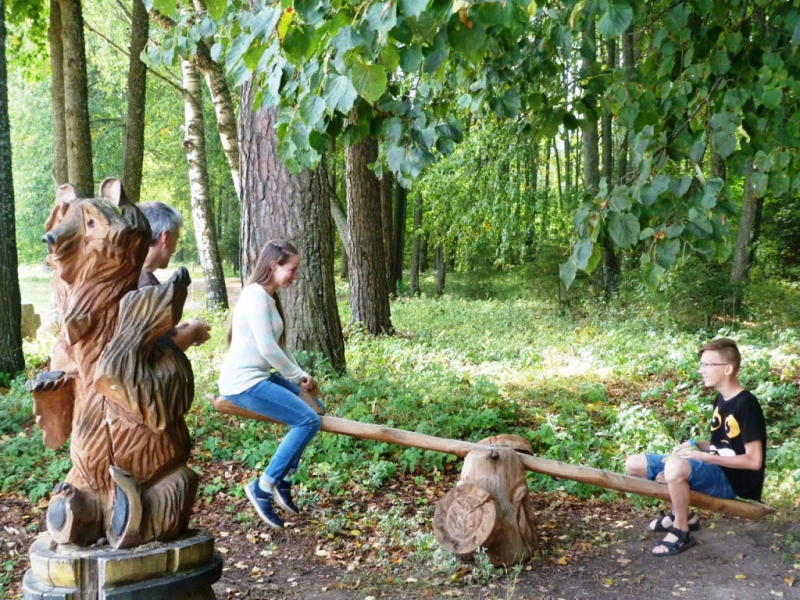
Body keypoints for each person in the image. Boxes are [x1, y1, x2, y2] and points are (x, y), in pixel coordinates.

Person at [625, 338, 766, 557]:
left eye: (708, 365)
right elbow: (727, 446)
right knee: (634, 464)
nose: (702, 370)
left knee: (675, 467)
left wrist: (705, 458)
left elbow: (753, 460)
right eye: (701, 364)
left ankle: (681, 529)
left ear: (727, 368)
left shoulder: (746, 404)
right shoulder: (721, 399)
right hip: (718, 468)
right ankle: (685, 516)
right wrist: (696, 445)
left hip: (734, 479)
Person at [218, 239, 325, 529]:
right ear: (273, 265)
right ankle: (263, 486)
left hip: (261, 376)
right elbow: (266, 349)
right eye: (292, 269)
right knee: (308, 421)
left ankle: (284, 480)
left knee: (318, 409)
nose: (295, 275)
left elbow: (279, 346)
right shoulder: (255, 296)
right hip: (243, 383)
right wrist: (295, 376)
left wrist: (301, 374)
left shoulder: (268, 297)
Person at [138, 202, 211, 351]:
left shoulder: (123, 275)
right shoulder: (145, 285)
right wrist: (194, 329)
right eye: (176, 238)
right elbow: (156, 354)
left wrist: (176, 329)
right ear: (165, 237)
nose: (175, 248)